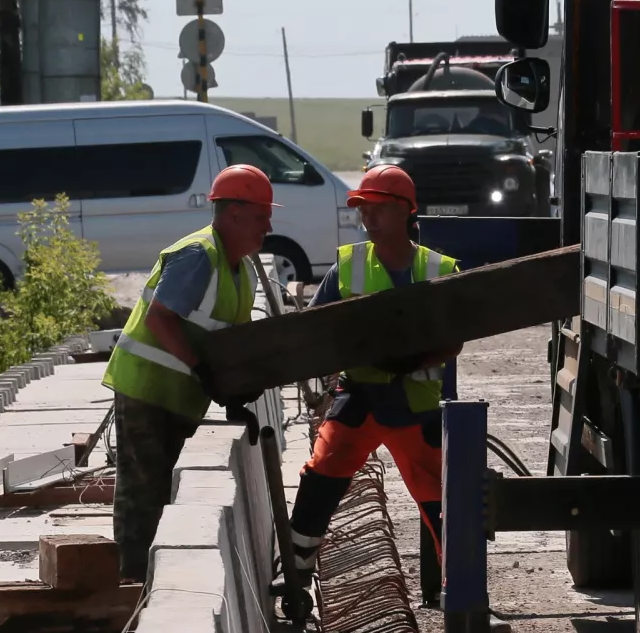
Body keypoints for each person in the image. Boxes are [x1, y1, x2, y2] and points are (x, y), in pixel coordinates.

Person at [101, 163, 277, 582]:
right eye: (260, 216)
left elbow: (223, 339)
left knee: (164, 494)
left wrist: (234, 391)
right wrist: (204, 372)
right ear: (232, 213)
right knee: (144, 491)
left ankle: (157, 576)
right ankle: (134, 583)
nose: (268, 226)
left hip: (179, 396)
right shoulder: (199, 255)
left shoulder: (241, 270)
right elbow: (163, 319)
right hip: (148, 390)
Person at [287, 165, 461, 584]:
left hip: (414, 405)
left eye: (376, 208)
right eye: (362, 209)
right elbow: (317, 330)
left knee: (443, 500)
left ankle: (462, 589)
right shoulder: (347, 266)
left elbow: (456, 339)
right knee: (322, 472)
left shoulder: (439, 269)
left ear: (405, 212)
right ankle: (294, 570)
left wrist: (413, 362)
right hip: (359, 397)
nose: (367, 218)